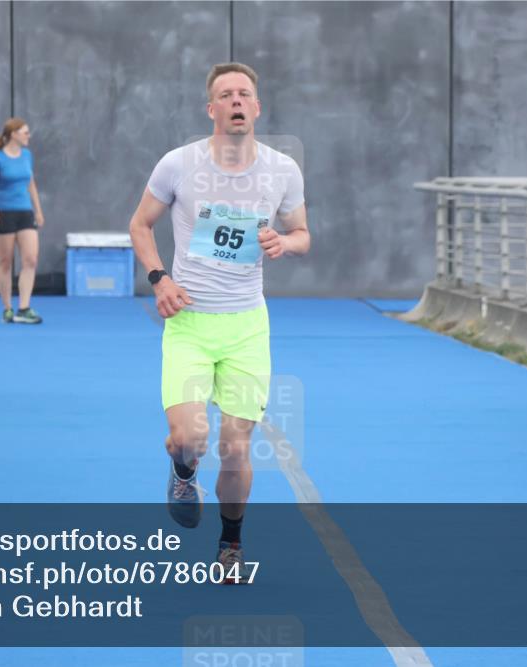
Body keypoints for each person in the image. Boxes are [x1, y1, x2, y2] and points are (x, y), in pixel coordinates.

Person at [128, 62, 310, 581]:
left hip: (247, 326)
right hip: (189, 321)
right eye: (225, 94)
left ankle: (230, 544)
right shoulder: (178, 165)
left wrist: (285, 242)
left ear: (256, 107)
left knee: (234, 447)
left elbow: (303, 234)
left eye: (244, 93)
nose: (235, 101)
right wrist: (160, 278)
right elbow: (140, 224)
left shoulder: (283, 171)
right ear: (211, 109)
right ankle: (183, 472)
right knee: (186, 438)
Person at [0, 117, 44, 324]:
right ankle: (8, 307)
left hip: (25, 211)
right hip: (4, 212)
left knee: (30, 259)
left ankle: (24, 307)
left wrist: (38, 210)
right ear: (13, 134)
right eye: (25, 132)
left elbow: (31, 184)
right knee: (5, 261)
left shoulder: (26, 155)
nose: (28, 136)